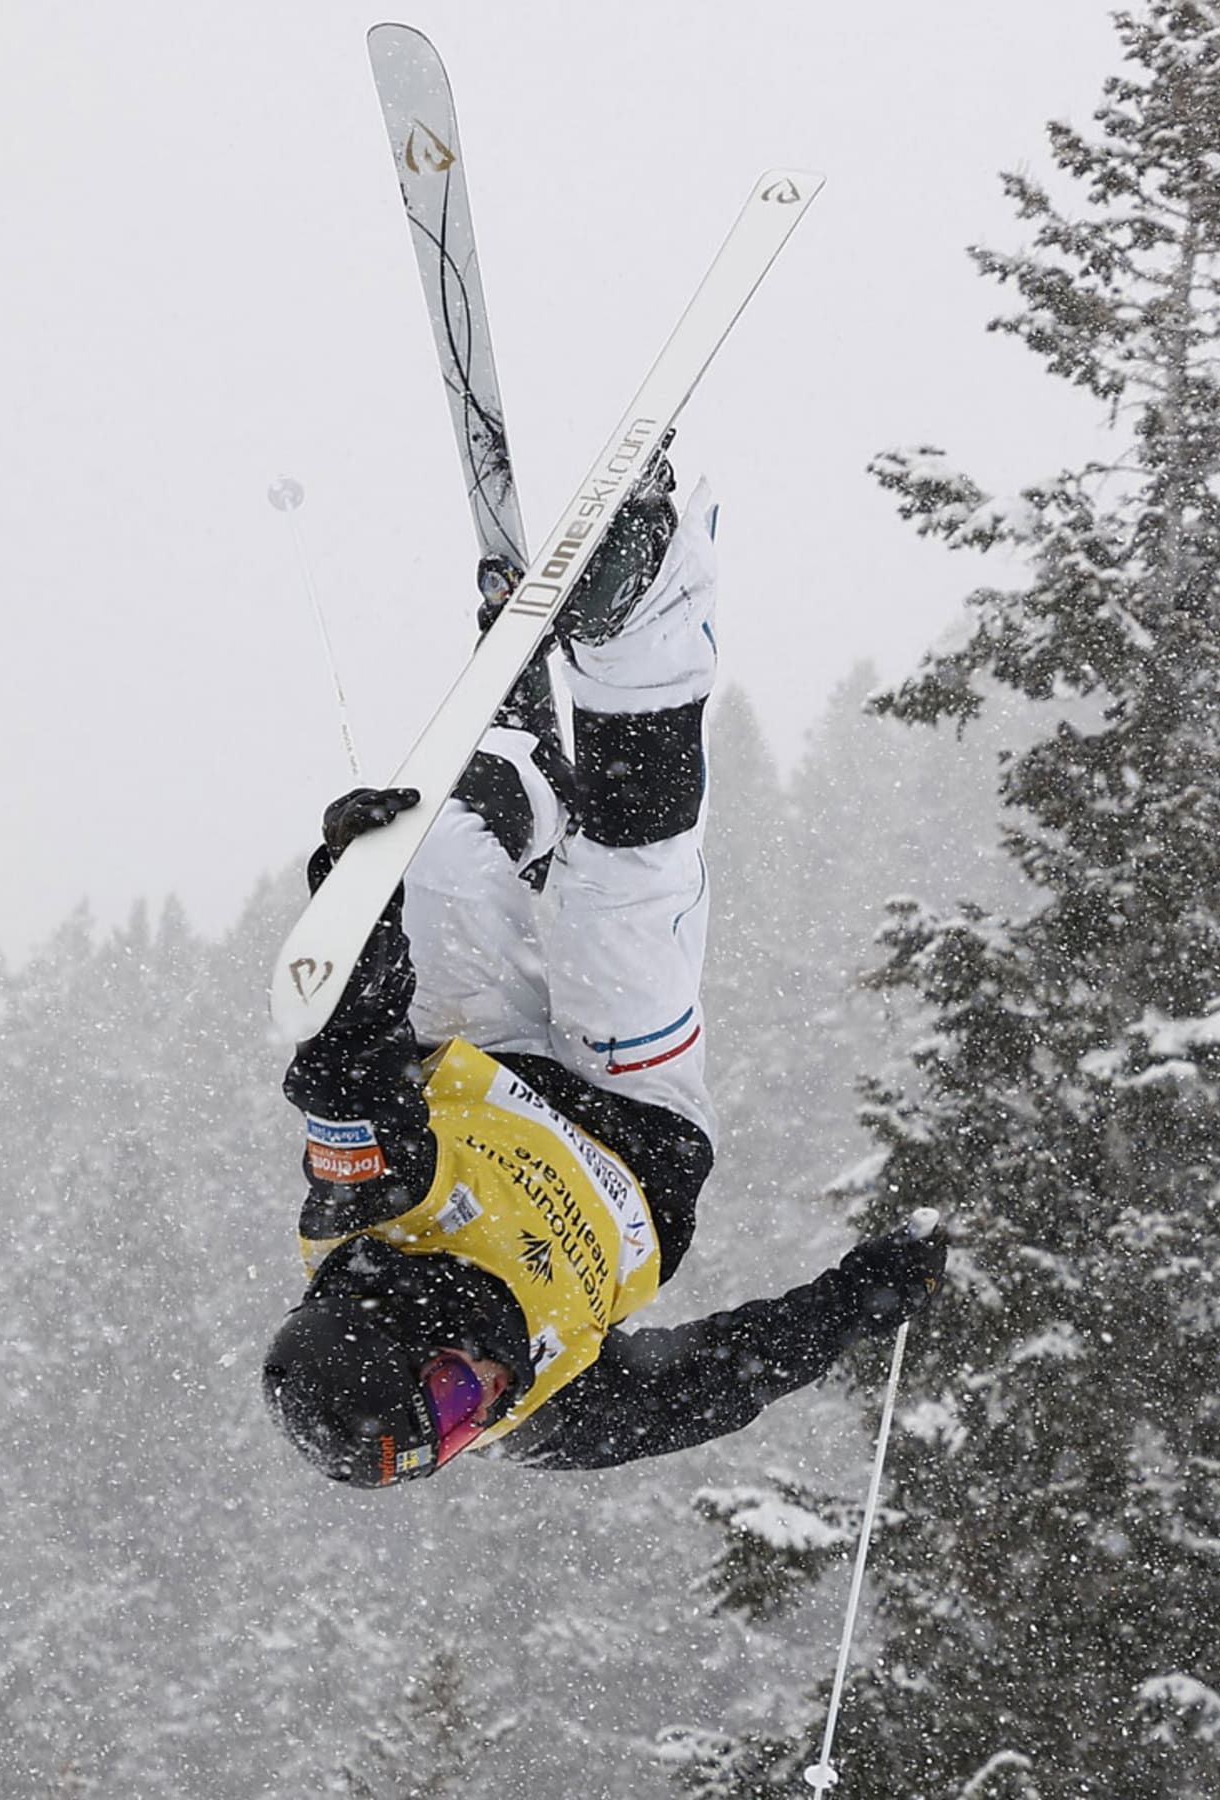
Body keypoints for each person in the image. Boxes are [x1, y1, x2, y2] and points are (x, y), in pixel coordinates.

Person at [262, 455, 945, 1486]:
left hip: (478, 1065)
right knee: (619, 900)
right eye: (457, 1438)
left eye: (448, 1398)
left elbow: (347, 1059)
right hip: (638, 1129)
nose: (478, 1408)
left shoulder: (372, 1208)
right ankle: (649, 615)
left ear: (397, 1326)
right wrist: (863, 1296)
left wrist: (356, 897)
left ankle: (519, 773)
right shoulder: (550, 1405)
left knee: (436, 840)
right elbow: (723, 1376)